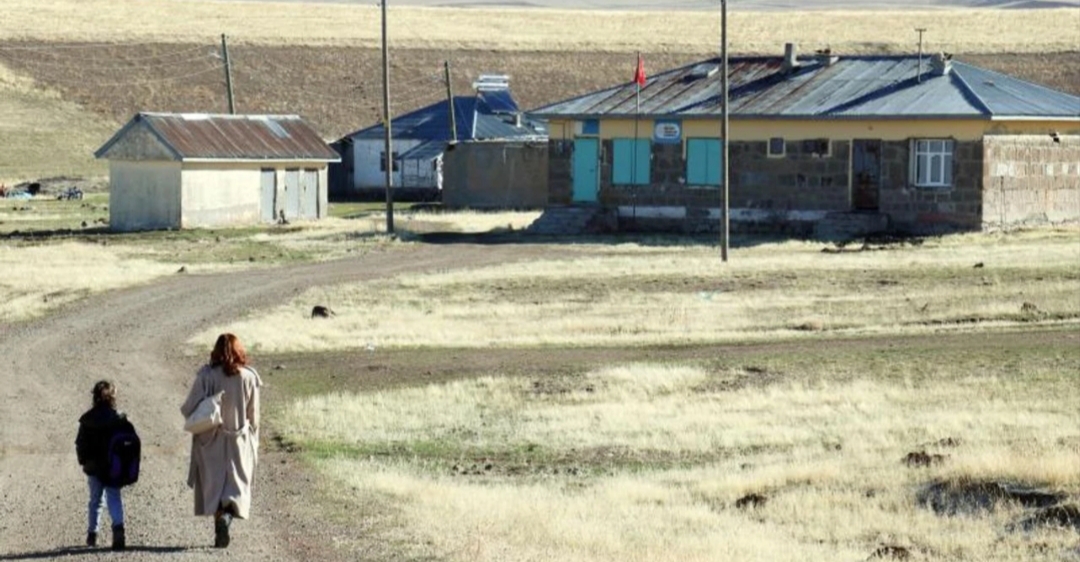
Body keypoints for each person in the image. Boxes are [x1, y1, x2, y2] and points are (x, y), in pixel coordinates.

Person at [181, 333, 262, 549]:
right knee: (236, 487)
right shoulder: (249, 377)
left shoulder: (206, 376)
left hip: (210, 440)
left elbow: (188, 408)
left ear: (216, 350)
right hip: (240, 440)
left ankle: (220, 521)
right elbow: (254, 417)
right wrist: (254, 441)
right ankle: (226, 518)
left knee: (214, 485)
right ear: (239, 351)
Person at [75, 380, 131, 551]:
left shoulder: (87, 420)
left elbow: (80, 443)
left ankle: (92, 534)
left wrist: (84, 461)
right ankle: (118, 529)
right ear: (112, 398)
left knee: (95, 501)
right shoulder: (119, 418)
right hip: (114, 466)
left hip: (93, 467)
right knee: (114, 497)